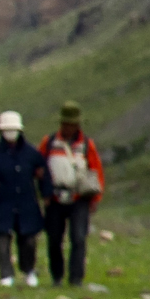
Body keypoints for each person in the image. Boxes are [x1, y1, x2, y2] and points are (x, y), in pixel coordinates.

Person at [0, 109, 50, 287]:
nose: (10, 133)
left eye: (13, 130)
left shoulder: (31, 153)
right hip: (2, 202)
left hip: (26, 203)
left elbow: (43, 174)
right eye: (7, 130)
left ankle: (28, 270)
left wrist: (46, 193)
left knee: (29, 240)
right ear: (1, 132)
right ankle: (6, 274)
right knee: (1, 239)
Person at [38, 100, 104, 286]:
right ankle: (56, 276)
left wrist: (95, 198)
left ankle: (76, 278)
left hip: (79, 198)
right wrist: (44, 190)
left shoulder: (86, 145)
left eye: (71, 124)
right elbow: (39, 165)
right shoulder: (49, 142)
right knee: (54, 239)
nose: (67, 127)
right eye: (65, 124)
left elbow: (96, 170)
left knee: (78, 238)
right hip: (55, 198)